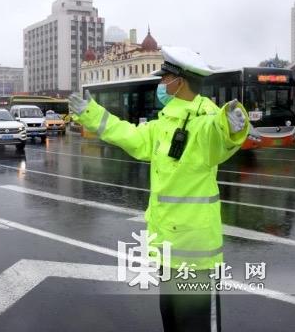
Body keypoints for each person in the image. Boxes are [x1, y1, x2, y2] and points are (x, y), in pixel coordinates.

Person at [69, 46, 249, 332]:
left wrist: (231, 125)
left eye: (165, 78)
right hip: (167, 248)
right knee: (173, 321)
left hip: (195, 255)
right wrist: (92, 114)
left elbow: (220, 135)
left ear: (181, 81)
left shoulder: (205, 119)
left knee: (196, 326)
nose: (161, 84)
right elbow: (130, 136)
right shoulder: (165, 123)